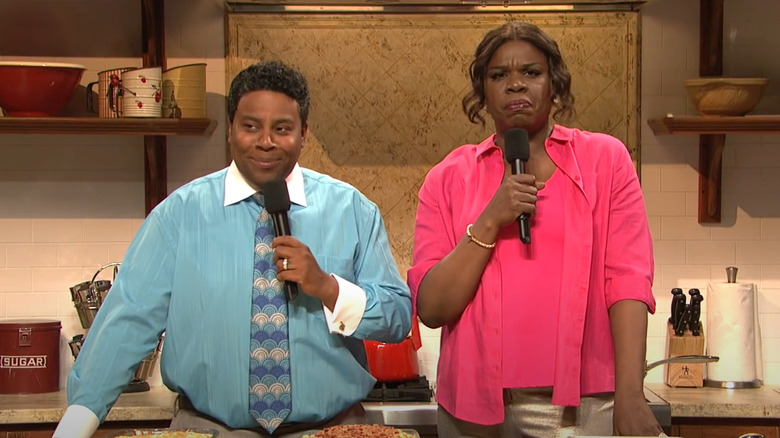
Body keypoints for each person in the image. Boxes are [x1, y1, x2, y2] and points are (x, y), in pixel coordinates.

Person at [53, 60, 412, 438]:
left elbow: (397, 317)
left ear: (304, 133)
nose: (266, 141)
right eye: (251, 126)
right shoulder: (180, 214)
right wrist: (73, 428)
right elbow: (126, 323)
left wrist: (328, 287)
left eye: (283, 129)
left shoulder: (352, 210)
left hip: (332, 429)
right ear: (231, 130)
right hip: (208, 429)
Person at [407, 22, 662, 437]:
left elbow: (628, 282)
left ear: (554, 84)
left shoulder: (605, 161)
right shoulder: (448, 177)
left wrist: (631, 395)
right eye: (498, 75)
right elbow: (432, 309)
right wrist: (490, 220)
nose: (514, 85)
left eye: (531, 72)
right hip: (472, 410)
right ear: (483, 93)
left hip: (584, 409)